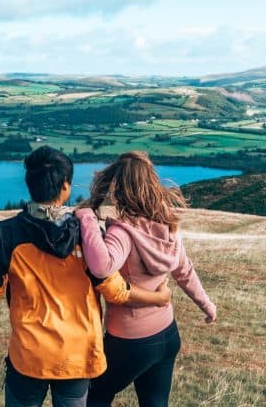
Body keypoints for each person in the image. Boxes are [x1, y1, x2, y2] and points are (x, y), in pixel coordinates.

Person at [0, 146, 172, 407]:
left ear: (30, 184)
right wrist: (158, 298)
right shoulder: (86, 235)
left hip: (28, 354)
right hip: (77, 356)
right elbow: (115, 290)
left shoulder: (6, 233)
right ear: (66, 186)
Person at [75, 151, 217, 407]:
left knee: (93, 396)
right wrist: (207, 305)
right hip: (167, 334)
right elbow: (184, 271)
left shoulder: (123, 231)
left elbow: (101, 266)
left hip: (131, 340)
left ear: (121, 189)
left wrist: (86, 217)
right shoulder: (168, 226)